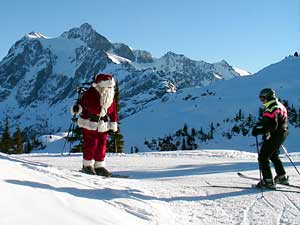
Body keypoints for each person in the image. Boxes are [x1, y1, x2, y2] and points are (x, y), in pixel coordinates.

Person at [71, 73, 118, 176]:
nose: (109, 88)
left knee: (102, 145)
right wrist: (77, 108)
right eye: (107, 85)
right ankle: (87, 165)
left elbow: (113, 111)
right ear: (100, 84)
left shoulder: (110, 95)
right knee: (91, 144)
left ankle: (99, 166)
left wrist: (113, 123)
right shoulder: (90, 93)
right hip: (90, 122)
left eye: (111, 86)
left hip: (103, 124)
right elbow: (82, 104)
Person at [252, 88, 289, 189]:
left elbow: (272, 126)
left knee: (263, 157)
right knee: (273, 155)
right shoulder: (279, 105)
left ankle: (268, 181)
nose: (261, 100)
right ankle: (282, 176)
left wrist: (259, 130)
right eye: (260, 98)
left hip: (275, 135)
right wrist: (262, 124)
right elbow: (276, 120)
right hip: (283, 133)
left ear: (269, 97)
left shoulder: (271, 108)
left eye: (263, 98)